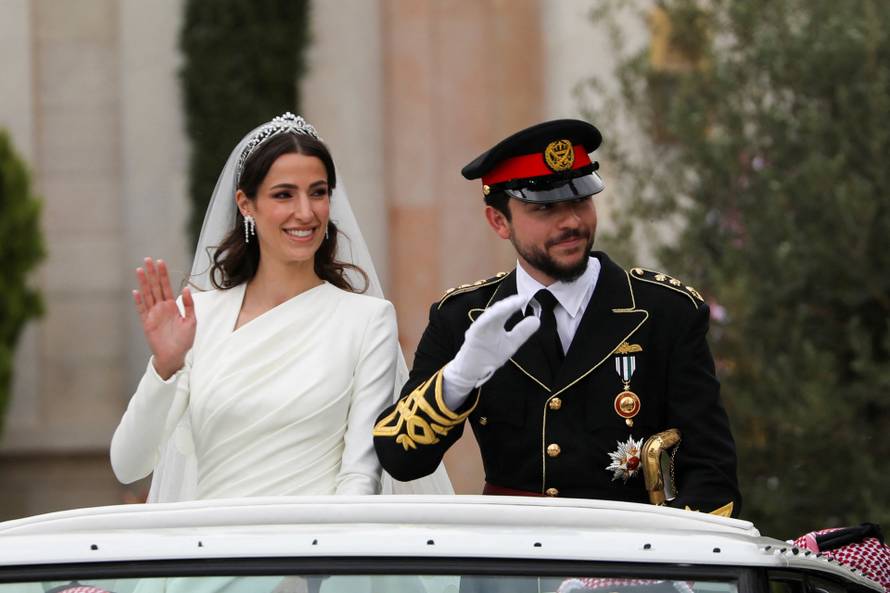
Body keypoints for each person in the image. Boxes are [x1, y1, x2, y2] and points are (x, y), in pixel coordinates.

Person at [373, 119, 740, 516]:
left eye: (580, 200)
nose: (571, 223)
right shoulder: (463, 316)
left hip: (629, 559)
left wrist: (667, 564)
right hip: (511, 562)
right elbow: (401, 461)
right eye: (544, 208)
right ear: (499, 221)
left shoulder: (665, 310)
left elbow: (711, 472)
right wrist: (458, 379)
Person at [111, 113, 450, 501]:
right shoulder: (199, 318)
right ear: (246, 204)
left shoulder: (368, 320)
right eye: (284, 194)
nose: (305, 212)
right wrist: (165, 368)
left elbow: (360, 475)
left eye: (318, 192)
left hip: (313, 552)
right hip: (210, 552)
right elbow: (128, 465)